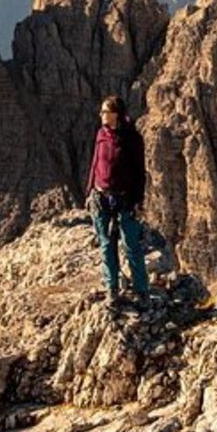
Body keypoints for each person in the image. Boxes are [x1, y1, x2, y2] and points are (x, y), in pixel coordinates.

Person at [85, 95, 149, 305]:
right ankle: (112, 288)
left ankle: (141, 292)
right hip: (100, 196)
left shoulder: (132, 139)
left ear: (116, 114)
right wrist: (89, 192)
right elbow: (95, 162)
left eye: (105, 111)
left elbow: (140, 172)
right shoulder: (101, 134)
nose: (101, 115)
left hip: (125, 199)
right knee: (106, 244)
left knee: (131, 244)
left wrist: (138, 202)